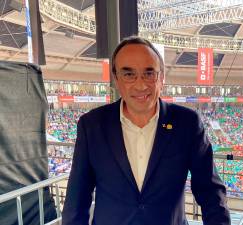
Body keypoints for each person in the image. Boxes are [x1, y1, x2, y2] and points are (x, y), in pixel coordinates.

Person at [62, 36, 230, 225]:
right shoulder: (91, 125)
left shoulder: (187, 123)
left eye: (149, 74)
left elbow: (210, 192)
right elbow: (76, 200)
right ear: (116, 79)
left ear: (162, 78)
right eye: (128, 74)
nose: (140, 85)